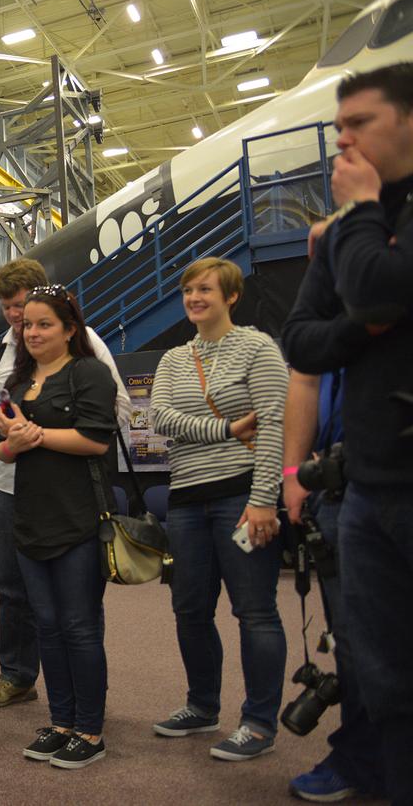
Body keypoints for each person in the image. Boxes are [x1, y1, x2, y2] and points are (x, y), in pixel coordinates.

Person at [282, 62, 413, 803]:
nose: (343, 140)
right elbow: (302, 342)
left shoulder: (356, 219)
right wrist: (369, 318)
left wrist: (359, 223)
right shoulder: (346, 231)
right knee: (382, 670)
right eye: (338, 127)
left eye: (359, 122)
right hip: (365, 485)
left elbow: (377, 288)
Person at [0, 259, 130, 710]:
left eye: (24, 307)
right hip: (10, 485)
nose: (18, 319)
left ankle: (86, 685)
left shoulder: (85, 347)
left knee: (77, 601)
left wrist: (44, 431)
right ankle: (17, 675)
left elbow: (115, 413)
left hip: (71, 488)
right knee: (13, 588)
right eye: (8, 309)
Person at [149, 257, 288, 761]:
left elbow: (273, 425)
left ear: (231, 296)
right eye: (188, 290)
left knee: (254, 611)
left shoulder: (257, 348)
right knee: (189, 609)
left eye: (205, 289)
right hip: (185, 498)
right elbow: (161, 417)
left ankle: (257, 722)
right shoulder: (173, 359)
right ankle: (202, 705)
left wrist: (263, 500)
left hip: (242, 495)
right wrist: (226, 428)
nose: (194, 298)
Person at [0, 285, 118, 770]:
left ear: (70, 329)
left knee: (79, 627)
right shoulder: (21, 381)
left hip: (78, 517)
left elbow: (95, 440)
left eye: (45, 324)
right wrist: (14, 442)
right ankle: (61, 722)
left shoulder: (89, 373)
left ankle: (90, 728)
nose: (33, 332)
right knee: (46, 626)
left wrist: (34, 435)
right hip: (29, 517)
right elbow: (4, 452)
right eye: (27, 325)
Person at [281, 368, 385, 802]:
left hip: (394, 477)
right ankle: (360, 758)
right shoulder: (324, 312)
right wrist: (293, 474)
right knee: (351, 638)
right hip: (338, 487)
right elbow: (304, 381)